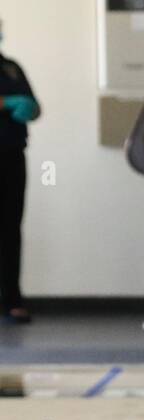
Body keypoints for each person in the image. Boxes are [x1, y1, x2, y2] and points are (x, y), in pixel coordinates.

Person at [0, 19, 39, 325]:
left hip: (12, 154)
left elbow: (33, 105)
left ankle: (12, 299)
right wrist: (5, 103)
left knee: (11, 228)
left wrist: (26, 106)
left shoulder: (11, 67)